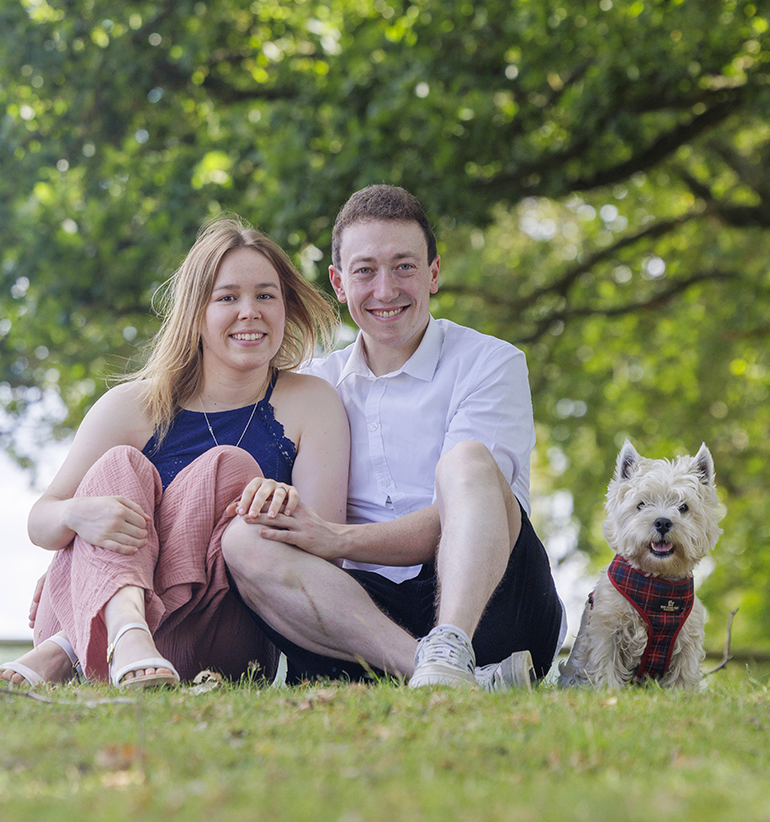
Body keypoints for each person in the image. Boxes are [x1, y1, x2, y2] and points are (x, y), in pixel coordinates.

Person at [221, 184, 565, 688]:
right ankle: (444, 673)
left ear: (433, 273)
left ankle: (451, 649)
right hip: (361, 619)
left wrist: (337, 537)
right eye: (365, 271)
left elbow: (470, 512)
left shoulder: (491, 363)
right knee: (244, 537)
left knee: (468, 461)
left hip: (494, 609)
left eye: (404, 267)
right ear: (339, 283)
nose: (385, 291)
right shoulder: (314, 385)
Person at [0, 217, 349, 688]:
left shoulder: (312, 402)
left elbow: (324, 562)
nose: (250, 312)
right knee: (120, 465)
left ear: (285, 307)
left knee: (230, 466)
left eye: (265, 295)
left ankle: (68, 651)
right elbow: (41, 521)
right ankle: (122, 630)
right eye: (227, 298)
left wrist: (282, 506)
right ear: (195, 312)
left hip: (215, 632)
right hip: (92, 623)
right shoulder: (131, 405)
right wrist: (77, 516)